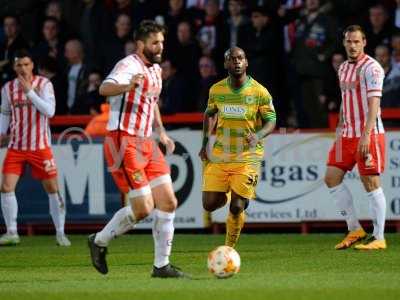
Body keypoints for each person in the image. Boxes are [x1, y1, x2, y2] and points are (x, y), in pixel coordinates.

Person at [88, 20, 187, 278]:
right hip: (124, 141)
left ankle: (161, 266)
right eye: (155, 43)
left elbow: (152, 101)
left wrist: (162, 133)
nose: (160, 47)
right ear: (141, 44)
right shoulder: (127, 65)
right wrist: (127, 85)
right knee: (143, 208)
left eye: (162, 42)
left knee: (168, 202)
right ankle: (98, 241)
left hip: (147, 141)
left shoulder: (155, 70)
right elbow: (104, 88)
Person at [199, 46, 276, 248]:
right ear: (225, 64)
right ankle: (231, 192)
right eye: (232, 59)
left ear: (246, 62)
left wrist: (258, 135)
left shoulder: (259, 92)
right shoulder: (216, 90)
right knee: (208, 204)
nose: (237, 62)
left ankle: (229, 248)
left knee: (236, 207)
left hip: (247, 156)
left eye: (240, 58)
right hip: (220, 155)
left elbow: (271, 121)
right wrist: (205, 143)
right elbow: (209, 115)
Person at [324, 25, 387, 250]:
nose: (352, 45)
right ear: (344, 42)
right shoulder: (342, 68)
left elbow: (374, 105)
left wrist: (366, 136)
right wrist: (341, 124)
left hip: (368, 134)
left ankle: (379, 237)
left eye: (357, 41)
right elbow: (345, 98)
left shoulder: (372, 68)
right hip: (347, 134)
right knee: (331, 177)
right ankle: (355, 229)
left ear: (364, 42)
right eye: (349, 41)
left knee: (370, 182)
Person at [0, 49, 70, 246]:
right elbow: (5, 113)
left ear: (33, 66)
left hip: (40, 146)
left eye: (26, 64)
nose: (23, 68)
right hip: (16, 146)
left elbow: (49, 111)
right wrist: (1, 132)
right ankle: (12, 232)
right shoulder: (8, 88)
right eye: (19, 65)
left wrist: (30, 92)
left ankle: (60, 232)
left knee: (52, 189)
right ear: (14, 67)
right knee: (6, 187)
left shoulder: (44, 84)